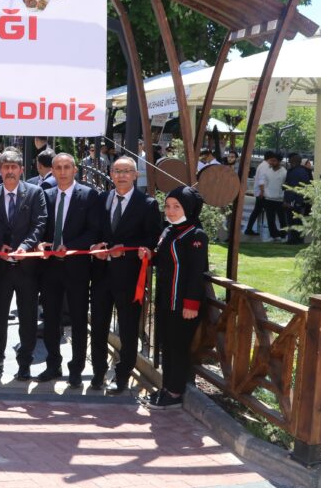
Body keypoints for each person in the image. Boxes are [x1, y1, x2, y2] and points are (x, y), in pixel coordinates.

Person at [89, 156, 163, 393]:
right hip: (101, 274)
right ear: (111, 174)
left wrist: (127, 254)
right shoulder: (102, 199)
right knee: (98, 325)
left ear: (135, 175)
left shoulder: (147, 204)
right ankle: (98, 372)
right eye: (117, 171)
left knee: (128, 329)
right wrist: (95, 248)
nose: (121, 175)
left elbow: (152, 240)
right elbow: (93, 231)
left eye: (126, 171)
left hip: (129, 277)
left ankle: (122, 375)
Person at [37, 153, 100, 386]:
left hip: (77, 268)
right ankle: (53, 365)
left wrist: (70, 246)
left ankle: (76, 368)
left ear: (75, 170)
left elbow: (94, 231)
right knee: (51, 319)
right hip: (50, 269)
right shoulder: (45, 195)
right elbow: (40, 227)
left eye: (67, 167)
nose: (62, 171)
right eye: (58, 167)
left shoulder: (89, 195)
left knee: (78, 319)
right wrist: (40, 244)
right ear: (52, 171)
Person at [0, 151, 48, 379]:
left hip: (26, 268)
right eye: (5, 167)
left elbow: (39, 223)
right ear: (0, 170)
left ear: (22, 169)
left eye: (14, 167)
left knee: (28, 317)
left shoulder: (34, 193)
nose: (9, 171)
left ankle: (25, 363)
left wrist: (26, 247)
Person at [147, 186, 208, 409]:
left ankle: (174, 393)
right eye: (168, 206)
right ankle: (166, 387)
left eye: (177, 207)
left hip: (184, 304)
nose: (170, 211)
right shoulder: (169, 230)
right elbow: (162, 259)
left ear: (189, 208)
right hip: (166, 300)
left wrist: (191, 303)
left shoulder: (196, 235)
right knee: (167, 344)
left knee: (178, 347)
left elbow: (196, 272)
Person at [244, 151, 276, 236]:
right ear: (271, 158)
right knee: (269, 212)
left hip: (261, 193)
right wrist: (262, 192)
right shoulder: (265, 167)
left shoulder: (263, 165)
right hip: (263, 193)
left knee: (257, 211)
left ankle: (249, 228)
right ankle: (273, 232)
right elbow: (262, 181)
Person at [283, 153, 312, 244]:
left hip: (293, 200)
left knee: (292, 221)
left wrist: (289, 201)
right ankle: (298, 240)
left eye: (290, 160)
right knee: (298, 221)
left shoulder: (294, 172)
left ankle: (293, 240)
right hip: (300, 200)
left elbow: (293, 187)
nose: (289, 162)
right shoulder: (305, 171)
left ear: (293, 161)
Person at [260, 153, 288, 240]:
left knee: (282, 219)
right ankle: (274, 235)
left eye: (274, 160)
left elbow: (286, 186)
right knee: (270, 219)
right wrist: (262, 192)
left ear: (279, 161)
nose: (271, 162)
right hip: (268, 198)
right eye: (271, 160)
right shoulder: (267, 171)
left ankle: (283, 234)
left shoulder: (284, 172)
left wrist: (285, 199)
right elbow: (264, 183)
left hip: (280, 199)